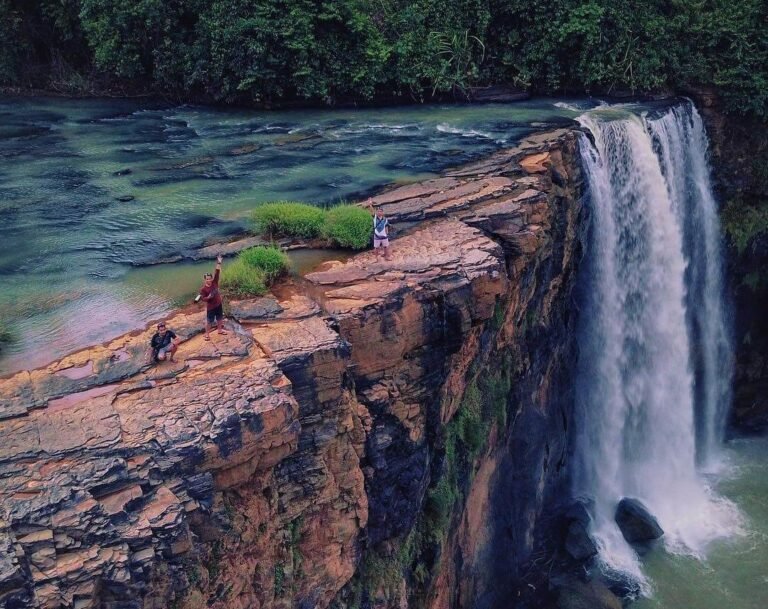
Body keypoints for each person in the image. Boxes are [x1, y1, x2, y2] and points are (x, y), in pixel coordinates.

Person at [199, 254, 227, 341]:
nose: (209, 280)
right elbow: (202, 298)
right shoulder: (203, 289)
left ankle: (220, 330)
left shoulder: (215, 282)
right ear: (205, 279)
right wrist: (208, 297)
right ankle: (207, 334)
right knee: (209, 321)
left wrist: (219, 262)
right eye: (207, 279)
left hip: (218, 304)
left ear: (211, 279)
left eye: (210, 278)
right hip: (211, 307)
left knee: (220, 318)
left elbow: (217, 272)